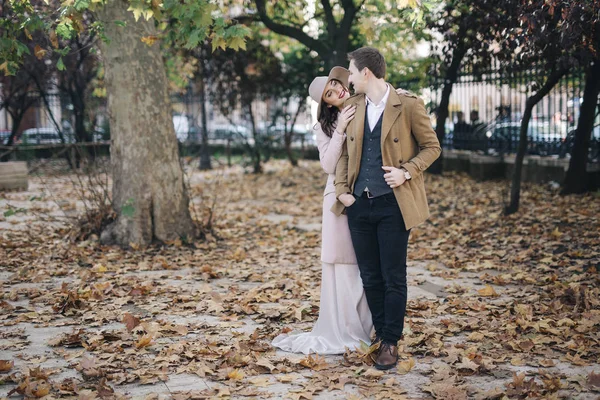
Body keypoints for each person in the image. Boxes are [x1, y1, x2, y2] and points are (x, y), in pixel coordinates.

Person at [332, 47, 441, 370]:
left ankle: (391, 342)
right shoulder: (352, 107)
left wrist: (406, 171)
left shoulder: (407, 105)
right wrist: (342, 192)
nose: (348, 80)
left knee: (393, 276)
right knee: (370, 275)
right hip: (359, 205)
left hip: (394, 204)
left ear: (366, 73)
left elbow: (432, 147)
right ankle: (381, 334)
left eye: (351, 72)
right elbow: (345, 155)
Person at [271, 66, 372, 354]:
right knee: (344, 266)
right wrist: (340, 129)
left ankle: (367, 326)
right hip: (337, 202)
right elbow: (328, 165)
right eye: (329, 93)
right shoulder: (324, 127)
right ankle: (345, 328)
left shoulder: (365, 104)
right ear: (326, 103)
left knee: (366, 266)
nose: (337, 91)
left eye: (336, 85)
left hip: (366, 194)